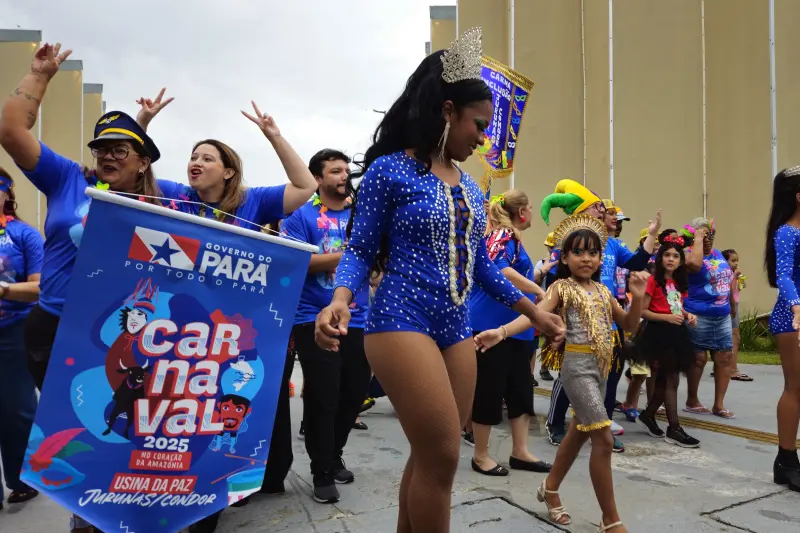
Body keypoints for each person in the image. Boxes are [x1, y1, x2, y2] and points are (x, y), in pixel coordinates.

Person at [314, 28, 565, 533]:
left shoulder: (472, 188)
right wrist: (340, 298)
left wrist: (534, 311)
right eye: (479, 124)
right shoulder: (391, 171)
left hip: (456, 326)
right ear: (447, 111)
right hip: (399, 320)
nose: (484, 137)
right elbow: (361, 247)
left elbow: (482, 267)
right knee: (445, 452)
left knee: (431, 455)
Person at [0, 42, 177, 533]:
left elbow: (222, 211)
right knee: (86, 428)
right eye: (101, 148)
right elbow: (11, 129)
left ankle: (132, 511)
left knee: (130, 430)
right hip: (56, 329)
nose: (106, 157)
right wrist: (39, 76)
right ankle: (91, 518)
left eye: (120, 150)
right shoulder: (68, 181)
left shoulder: (165, 199)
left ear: (142, 162)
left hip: (128, 333)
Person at [476, 213, 646, 532]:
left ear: (600, 257)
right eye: (578, 252)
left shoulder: (603, 292)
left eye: (593, 252)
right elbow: (534, 316)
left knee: (578, 434)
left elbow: (629, 324)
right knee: (604, 440)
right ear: (564, 257)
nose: (586, 258)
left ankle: (549, 489)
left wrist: (638, 298)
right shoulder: (561, 288)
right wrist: (500, 331)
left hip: (601, 370)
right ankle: (611, 520)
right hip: (577, 370)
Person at [281, 149, 371, 504]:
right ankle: (321, 470)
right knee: (324, 396)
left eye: (346, 170)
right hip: (310, 318)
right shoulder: (300, 218)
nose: (343, 176)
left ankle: (335, 454)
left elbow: (372, 255)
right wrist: (349, 254)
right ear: (317, 179)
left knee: (353, 395)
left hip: (359, 318)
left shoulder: (361, 215)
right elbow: (298, 263)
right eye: (335, 171)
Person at [541, 185, 660, 451]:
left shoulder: (614, 245)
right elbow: (553, 281)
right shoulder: (569, 241)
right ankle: (556, 424)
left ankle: (599, 426)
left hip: (608, 316)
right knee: (567, 376)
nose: (605, 212)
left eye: (593, 253)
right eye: (599, 207)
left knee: (609, 375)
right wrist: (554, 317)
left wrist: (651, 236)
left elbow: (637, 263)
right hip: (573, 317)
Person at [134, 90, 317, 225]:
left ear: (228, 172)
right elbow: (133, 176)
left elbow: (306, 186)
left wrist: (275, 137)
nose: (197, 163)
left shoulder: (253, 201)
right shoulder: (171, 193)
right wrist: (142, 123)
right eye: (194, 158)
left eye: (207, 159)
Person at [468, 190, 549, 477]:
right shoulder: (502, 236)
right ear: (520, 211)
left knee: (520, 390)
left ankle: (521, 451)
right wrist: (538, 289)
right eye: (529, 206)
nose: (531, 211)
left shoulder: (513, 238)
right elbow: (500, 271)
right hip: (490, 324)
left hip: (517, 328)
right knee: (489, 391)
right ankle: (480, 455)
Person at [630, 235, 700, 447]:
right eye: (667, 255)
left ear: (680, 260)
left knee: (666, 380)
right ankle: (674, 427)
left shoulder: (678, 282)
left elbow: (676, 307)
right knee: (671, 380)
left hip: (677, 332)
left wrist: (687, 314)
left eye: (675, 256)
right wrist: (667, 318)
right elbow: (644, 311)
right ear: (660, 258)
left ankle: (649, 415)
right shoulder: (653, 280)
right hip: (659, 333)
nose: (671, 259)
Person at [0, 170, 42, 510]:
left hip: (14, 331)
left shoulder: (24, 235)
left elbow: (41, 286)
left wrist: (3, 289)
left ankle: (21, 479)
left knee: (16, 411)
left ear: (7, 194)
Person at [765, 165, 800, 492]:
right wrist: (796, 306)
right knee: (795, 387)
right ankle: (786, 459)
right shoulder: (787, 232)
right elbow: (785, 276)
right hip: (792, 319)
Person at [682, 218, 735, 419]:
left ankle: (719, 404)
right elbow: (695, 266)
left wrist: (733, 304)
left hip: (721, 314)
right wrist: (697, 239)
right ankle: (692, 400)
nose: (707, 239)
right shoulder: (688, 255)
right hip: (698, 313)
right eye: (703, 235)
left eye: (709, 235)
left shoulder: (718, 254)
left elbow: (727, 279)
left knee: (724, 357)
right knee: (698, 358)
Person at [722, 248, 752, 381]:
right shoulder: (726, 274)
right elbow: (729, 290)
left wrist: (739, 280)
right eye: (732, 260)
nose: (735, 263)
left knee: (730, 338)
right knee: (735, 338)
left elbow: (737, 290)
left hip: (734, 304)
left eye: (737, 261)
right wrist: (734, 277)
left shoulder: (731, 273)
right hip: (730, 305)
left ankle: (722, 367)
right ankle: (733, 370)